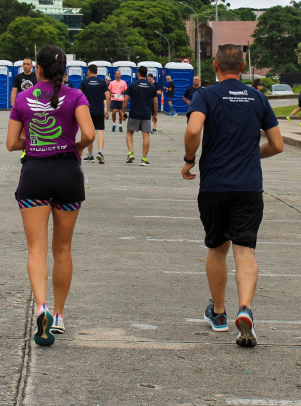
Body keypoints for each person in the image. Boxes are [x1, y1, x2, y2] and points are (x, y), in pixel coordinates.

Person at [182, 44, 284, 348]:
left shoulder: (205, 95)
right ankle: (245, 309)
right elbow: (277, 145)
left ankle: (219, 313)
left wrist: (189, 159)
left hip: (214, 185)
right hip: (248, 187)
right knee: (245, 251)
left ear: (215, 66)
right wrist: (251, 155)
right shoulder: (258, 97)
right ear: (242, 68)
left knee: (217, 249)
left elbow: (193, 130)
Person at [6, 45, 95, 347]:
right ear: (64, 70)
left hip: (35, 174)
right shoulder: (76, 96)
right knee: (63, 249)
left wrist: (34, 140)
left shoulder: (22, 98)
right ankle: (58, 315)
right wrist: (75, 146)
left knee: (36, 249)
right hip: (68, 174)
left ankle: (41, 306)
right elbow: (90, 134)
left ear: (38, 69)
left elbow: (11, 143)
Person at [122, 66, 159, 165]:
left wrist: (123, 111)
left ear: (138, 73)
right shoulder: (151, 86)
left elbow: (126, 99)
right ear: (146, 74)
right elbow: (155, 102)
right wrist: (155, 114)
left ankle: (130, 153)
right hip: (146, 114)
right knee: (146, 135)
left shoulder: (132, 85)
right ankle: (144, 159)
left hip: (134, 113)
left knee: (130, 133)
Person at [78, 64, 110, 163]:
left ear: (88, 71)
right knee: (100, 132)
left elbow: (78, 93)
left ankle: (90, 155)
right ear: (97, 71)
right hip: (99, 111)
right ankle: (100, 152)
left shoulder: (84, 82)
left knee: (88, 133)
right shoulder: (102, 82)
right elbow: (108, 96)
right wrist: (107, 110)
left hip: (87, 111)